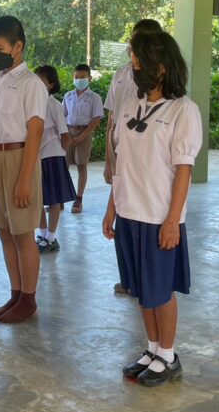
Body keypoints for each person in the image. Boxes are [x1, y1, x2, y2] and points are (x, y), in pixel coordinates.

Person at [104, 29, 201, 388]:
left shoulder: (183, 110)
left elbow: (184, 170)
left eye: (138, 62)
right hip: (129, 212)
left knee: (160, 290)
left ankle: (169, 355)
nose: (133, 69)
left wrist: (173, 220)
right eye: (132, 62)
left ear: (161, 67)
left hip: (159, 216)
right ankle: (152, 349)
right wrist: (112, 208)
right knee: (141, 290)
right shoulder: (131, 106)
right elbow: (122, 163)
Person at [0, 15, 48, 324]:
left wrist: (24, 180)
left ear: (18, 46)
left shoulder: (31, 84)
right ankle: (16, 293)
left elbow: (35, 132)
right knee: (5, 232)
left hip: (20, 159)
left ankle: (28, 300)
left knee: (22, 234)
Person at [104, 18, 164, 295]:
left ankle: (146, 278)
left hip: (145, 151)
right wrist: (109, 160)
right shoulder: (120, 74)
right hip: (120, 143)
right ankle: (127, 276)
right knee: (121, 211)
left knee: (141, 212)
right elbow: (111, 117)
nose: (133, 49)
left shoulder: (158, 77)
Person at [35, 65, 76, 253]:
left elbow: (64, 135)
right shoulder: (33, 103)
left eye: (41, 80)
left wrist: (60, 156)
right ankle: (43, 234)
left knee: (53, 200)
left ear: (50, 84)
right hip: (37, 157)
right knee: (38, 198)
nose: (37, 83)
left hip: (52, 157)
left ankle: (51, 238)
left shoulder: (53, 105)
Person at [63, 63, 104, 213]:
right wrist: (66, 134)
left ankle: (78, 199)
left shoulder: (94, 98)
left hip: (84, 134)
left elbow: (96, 120)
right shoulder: (68, 96)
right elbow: (63, 115)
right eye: (76, 77)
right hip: (68, 133)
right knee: (64, 166)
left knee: (81, 166)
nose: (79, 80)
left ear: (89, 78)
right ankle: (60, 199)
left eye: (82, 77)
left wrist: (81, 136)